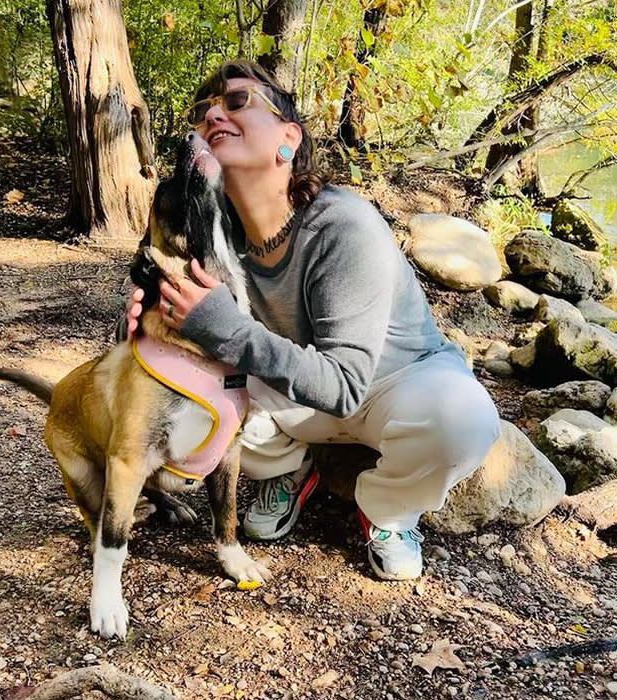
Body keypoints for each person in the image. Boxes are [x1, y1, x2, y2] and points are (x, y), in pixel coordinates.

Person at [126, 60, 500, 580]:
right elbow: (181, 317)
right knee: (185, 403)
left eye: (236, 102)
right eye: (203, 110)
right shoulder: (216, 230)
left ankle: (388, 508)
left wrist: (221, 326)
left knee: (465, 422)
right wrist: (155, 316)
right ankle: (287, 467)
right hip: (295, 385)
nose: (214, 113)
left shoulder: (341, 225)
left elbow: (344, 384)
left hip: (393, 383)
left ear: (288, 137)